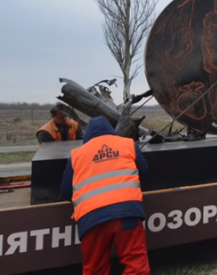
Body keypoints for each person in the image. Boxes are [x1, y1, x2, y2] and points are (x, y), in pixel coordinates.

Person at [60, 117, 150, 275]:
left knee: (95, 268)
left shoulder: (76, 155)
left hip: (92, 219)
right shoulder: (128, 144)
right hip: (127, 212)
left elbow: (66, 191)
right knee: (136, 264)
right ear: (110, 130)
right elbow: (144, 171)